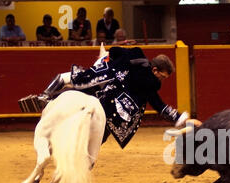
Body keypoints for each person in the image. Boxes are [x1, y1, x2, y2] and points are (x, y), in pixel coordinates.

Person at [30, 47, 189, 148]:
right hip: (110, 112)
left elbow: (113, 51)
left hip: (103, 82)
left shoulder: (136, 54)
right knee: (96, 145)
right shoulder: (151, 83)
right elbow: (159, 105)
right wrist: (179, 118)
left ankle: (45, 97)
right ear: (155, 70)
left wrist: (112, 59)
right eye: (162, 77)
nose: (161, 80)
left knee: (67, 78)